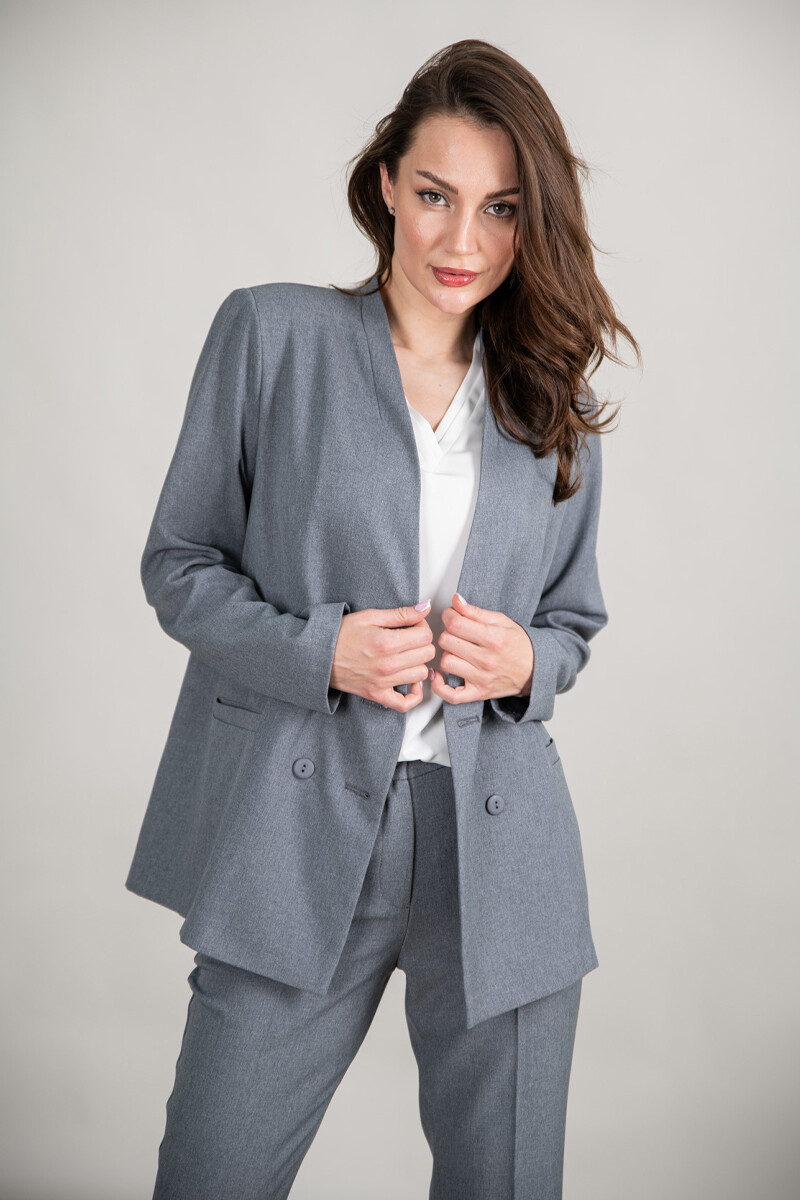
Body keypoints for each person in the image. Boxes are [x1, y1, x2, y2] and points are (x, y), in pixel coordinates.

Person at [127, 37, 640, 1200]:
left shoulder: (550, 397)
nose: (463, 241)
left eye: (500, 208)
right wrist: (320, 649)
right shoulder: (272, 336)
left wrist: (524, 660)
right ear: (384, 188)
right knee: (212, 1173)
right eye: (434, 195)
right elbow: (180, 563)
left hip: (498, 846)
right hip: (295, 822)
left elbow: (570, 622)